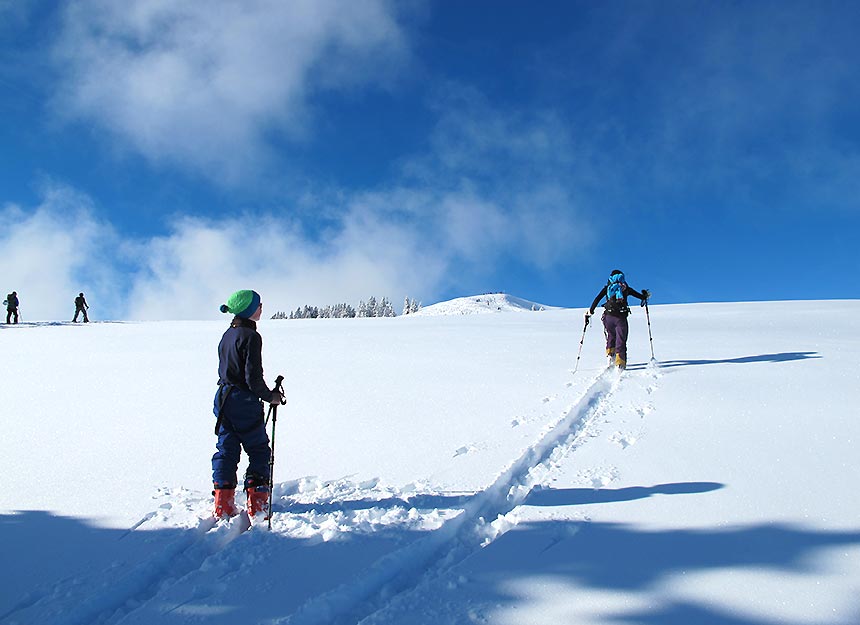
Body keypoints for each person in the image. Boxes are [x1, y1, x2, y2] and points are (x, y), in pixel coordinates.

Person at [211, 289, 284, 519]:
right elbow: (252, 378)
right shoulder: (251, 337)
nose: (262, 307)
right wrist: (270, 396)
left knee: (227, 447)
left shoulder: (227, 334)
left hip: (223, 398)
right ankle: (258, 503)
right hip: (243, 401)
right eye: (258, 304)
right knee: (258, 448)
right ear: (249, 310)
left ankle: (223, 504)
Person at [586, 270, 650, 370]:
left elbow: (597, 299)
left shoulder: (608, 288)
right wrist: (645, 295)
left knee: (611, 335)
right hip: (620, 318)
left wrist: (590, 311)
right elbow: (641, 296)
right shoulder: (625, 288)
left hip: (608, 317)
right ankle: (620, 363)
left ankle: (610, 357)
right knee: (621, 339)